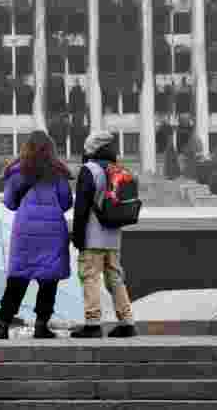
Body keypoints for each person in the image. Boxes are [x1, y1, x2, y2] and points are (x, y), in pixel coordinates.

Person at [0, 131, 73, 340]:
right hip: (52, 232)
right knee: (49, 280)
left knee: (17, 279)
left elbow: (10, 203)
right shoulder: (58, 173)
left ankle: (3, 325)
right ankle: (41, 325)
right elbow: (66, 202)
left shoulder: (16, 173)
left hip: (25, 232)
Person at [70, 131, 137, 338]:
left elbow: (81, 207)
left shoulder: (89, 170)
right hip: (114, 236)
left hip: (92, 236)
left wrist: (78, 236)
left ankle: (92, 323)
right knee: (115, 279)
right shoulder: (118, 169)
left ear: (91, 148)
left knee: (90, 277)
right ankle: (127, 322)